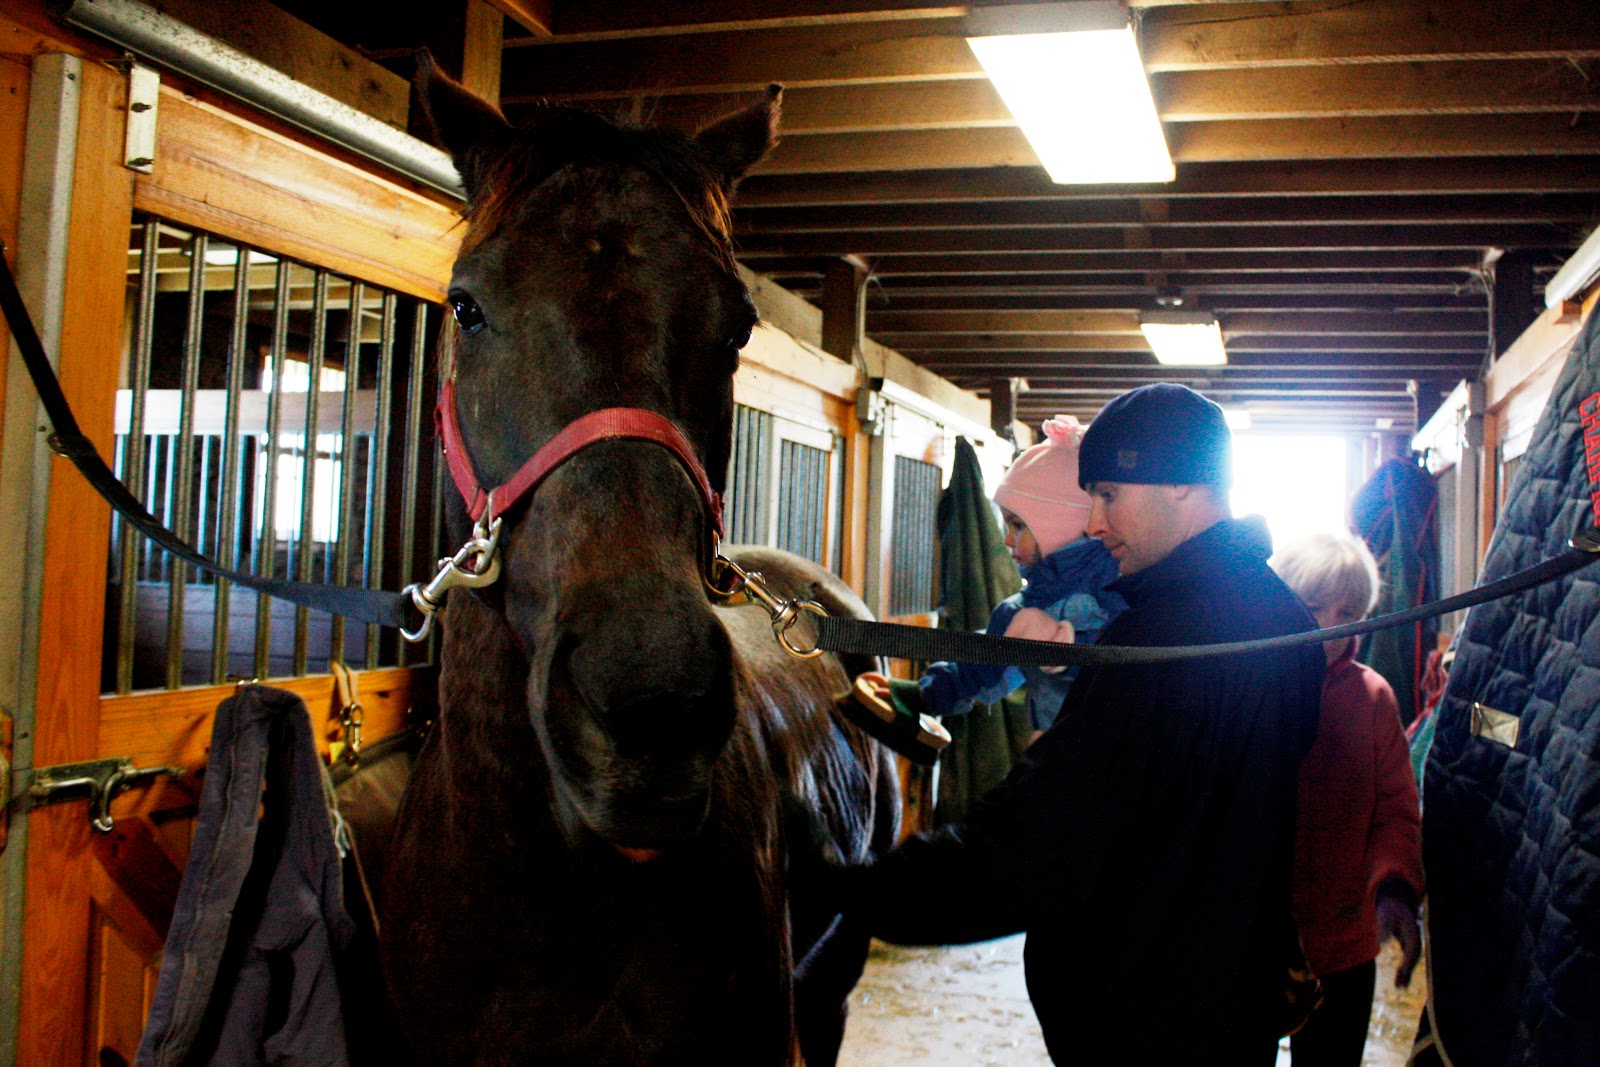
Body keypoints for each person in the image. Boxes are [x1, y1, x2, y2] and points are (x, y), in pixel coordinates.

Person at [834, 383, 1325, 1065]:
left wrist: (852, 890)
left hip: (1141, 1019)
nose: (1093, 523)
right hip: (1228, 1003)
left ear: (1181, 482)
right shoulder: (1283, 620)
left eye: (1109, 494)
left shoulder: (1158, 642)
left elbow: (1043, 838)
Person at [1270, 533, 1425, 1067]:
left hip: (1343, 941)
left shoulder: (1372, 696)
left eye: (1348, 614)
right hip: (1252, 937)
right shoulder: (1244, 685)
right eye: (1314, 607)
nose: (1332, 628)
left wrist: (1394, 888)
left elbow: (1395, 809)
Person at [870, 416, 1125, 738]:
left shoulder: (1120, 583)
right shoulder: (1022, 608)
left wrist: (1070, 649)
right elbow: (984, 664)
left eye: (1018, 526)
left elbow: (1142, 657)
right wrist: (922, 695)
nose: (1007, 540)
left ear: (1060, 525)